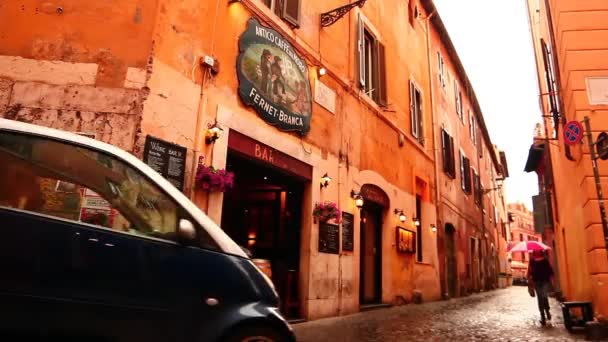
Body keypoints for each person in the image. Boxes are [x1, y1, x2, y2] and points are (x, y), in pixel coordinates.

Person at [527, 249, 554, 325]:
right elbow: (530, 272)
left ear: (541, 252)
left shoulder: (545, 260)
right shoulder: (532, 261)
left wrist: (552, 281)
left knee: (544, 296)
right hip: (537, 282)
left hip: (545, 281)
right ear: (534, 252)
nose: (537, 252)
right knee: (540, 298)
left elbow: (550, 271)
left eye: (538, 251)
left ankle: (547, 311)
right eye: (536, 251)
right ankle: (543, 316)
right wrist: (529, 277)